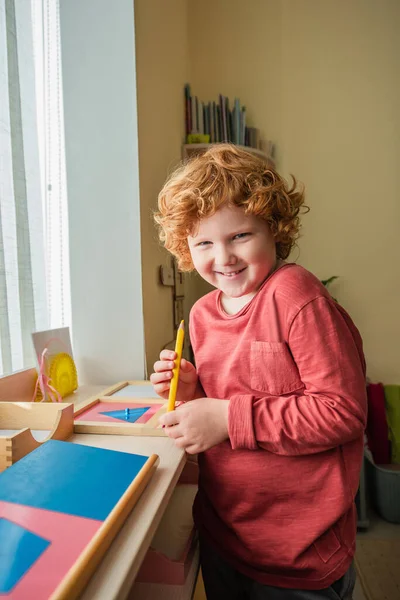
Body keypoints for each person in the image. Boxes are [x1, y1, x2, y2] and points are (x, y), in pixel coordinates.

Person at [150, 144, 366, 600]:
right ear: (185, 247)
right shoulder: (203, 313)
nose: (223, 257)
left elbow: (342, 412)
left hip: (299, 553)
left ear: (275, 230)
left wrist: (227, 417)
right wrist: (191, 391)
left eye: (240, 236)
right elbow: (224, 402)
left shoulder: (296, 296)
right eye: (204, 242)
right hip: (226, 535)